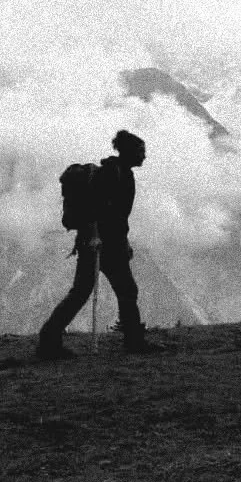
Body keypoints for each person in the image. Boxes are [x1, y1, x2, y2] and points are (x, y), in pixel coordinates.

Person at [37, 130, 158, 358]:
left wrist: (124, 242)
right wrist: (94, 235)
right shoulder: (112, 174)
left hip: (108, 244)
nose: (144, 156)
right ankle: (133, 342)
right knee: (115, 290)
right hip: (99, 244)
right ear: (129, 152)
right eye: (141, 151)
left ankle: (49, 340)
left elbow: (118, 216)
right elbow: (94, 207)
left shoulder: (122, 173)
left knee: (95, 291)